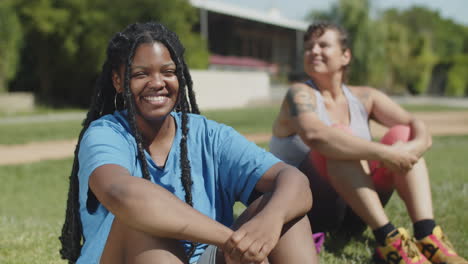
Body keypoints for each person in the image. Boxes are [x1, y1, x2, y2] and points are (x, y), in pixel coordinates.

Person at [58, 22, 318, 264]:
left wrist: (270, 222)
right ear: (118, 81)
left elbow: (294, 180)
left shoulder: (207, 135)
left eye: (168, 72)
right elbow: (123, 195)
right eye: (140, 74)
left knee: (285, 209)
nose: (157, 83)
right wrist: (231, 241)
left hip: (203, 257)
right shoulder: (106, 133)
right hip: (125, 255)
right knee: (137, 222)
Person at [270, 21, 467, 264]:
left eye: (323, 45)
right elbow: (317, 137)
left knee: (402, 133)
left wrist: (409, 150)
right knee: (337, 137)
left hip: (356, 212)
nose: (314, 51)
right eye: (309, 47)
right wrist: (385, 154)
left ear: (345, 55)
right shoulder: (298, 94)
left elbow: (418, 126)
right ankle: (388, 239)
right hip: (311, 212)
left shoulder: (364, 96)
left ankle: (426, 234)